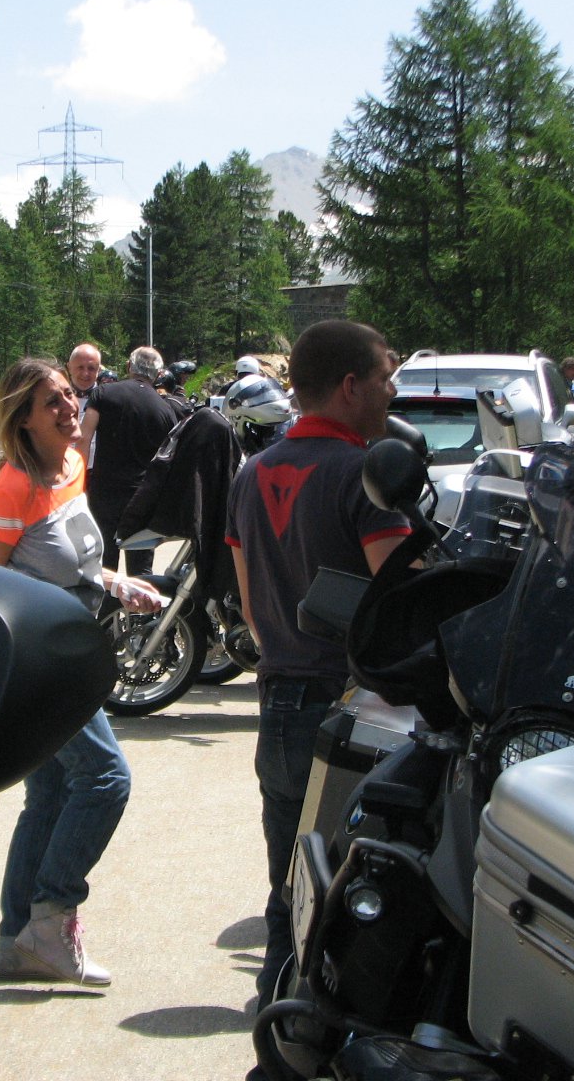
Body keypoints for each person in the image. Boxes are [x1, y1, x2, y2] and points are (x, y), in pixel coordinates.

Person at [225, 319, 411, 1023]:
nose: (392, 391)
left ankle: (277, 1033)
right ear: (350, 386)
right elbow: (399, 605)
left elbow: (250, 605)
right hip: (352, 714)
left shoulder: (252, 472)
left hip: (277, 702)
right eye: (386, 377)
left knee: (291, 896)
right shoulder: (365, 474)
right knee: (354, 907)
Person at [0, 356, 162, 987]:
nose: (68, 406)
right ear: (23, 420)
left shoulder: (73, 466)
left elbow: (71, 562)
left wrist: (114, 582)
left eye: (67, 394)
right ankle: (52, 920)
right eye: (50, 401)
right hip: (39, 666)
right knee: (106, 779)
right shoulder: (10, 489)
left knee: (51, 793)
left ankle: (16, 944)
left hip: (75, 651)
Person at [79, 346, 180, 576]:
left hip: (104, 493)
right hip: (142, 498)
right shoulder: (166, 409)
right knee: (141, 570)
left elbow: (84, 438)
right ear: (159, 374)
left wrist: (80, 482)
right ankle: (142, 601)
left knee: (103, 567)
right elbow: (169, 458)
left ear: (128, 366)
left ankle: (104, 601)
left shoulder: (103, 394)